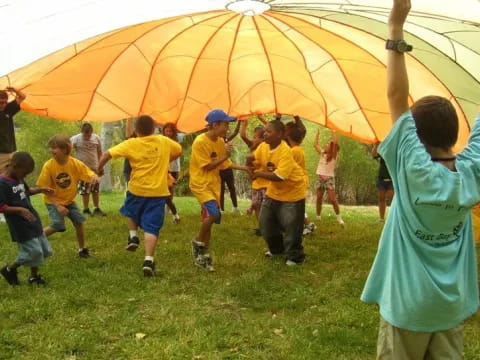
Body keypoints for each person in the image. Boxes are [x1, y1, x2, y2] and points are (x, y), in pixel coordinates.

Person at [361, 0, 480, 358]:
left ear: (414, 135)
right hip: (449, 308)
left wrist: (395, 26)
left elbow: (395, 96)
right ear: (457, 133)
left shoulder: (412, 170)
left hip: (407, 309)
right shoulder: (472, 172)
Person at [97, 115, 182, 277]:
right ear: (153, 129)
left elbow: (106, 154)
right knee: (152, 227)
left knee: (129, 210)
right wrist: (165, 158)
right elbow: (178, 150)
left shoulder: (131, 143)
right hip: (158, 193)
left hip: (137, 190)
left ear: (136, 131)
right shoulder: (163, 141)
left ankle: (133, 236)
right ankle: (148, 259)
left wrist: (99, 168)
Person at [189, 109, 249, 272]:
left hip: (213, 185)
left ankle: (203, 256)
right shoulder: (200, 142)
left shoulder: (221, 142)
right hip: (201, 184)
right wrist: (225, 156)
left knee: (208, 221)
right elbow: (207, 166)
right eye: (225, 125)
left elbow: (225, 165)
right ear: (215, 125)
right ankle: (197, 243)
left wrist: (245, 168)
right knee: (214, 214)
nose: (227, 129)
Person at [249, 120, 306, 266]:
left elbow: (280, 176)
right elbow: (255, 158)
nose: (264, 133)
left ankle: (295, 256)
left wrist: (259, 174)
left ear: (280, 134)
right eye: (264, 131)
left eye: (269, 131)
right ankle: (277, 250)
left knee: (292, 225)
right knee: (265, 222)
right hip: (274, 191)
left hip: (293, 191)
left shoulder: (286, 151)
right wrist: (249, 161)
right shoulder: (263, 146)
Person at [37, 135, 98, 259]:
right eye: (51, 148)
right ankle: (34, 239)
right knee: (59, 225)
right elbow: (45, 189)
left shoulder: (75, 163)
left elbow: (88, 173)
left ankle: (82, 250)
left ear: (65, 149)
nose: (51, 150)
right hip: (52, 201)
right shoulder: (48, 166)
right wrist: (58, 206)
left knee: (79, 222)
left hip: (69, 201)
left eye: (54, 148)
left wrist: (94, 178)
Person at [0, 152, 54, 285]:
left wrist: (41, 190)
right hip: (19, 224)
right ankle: (9, 269)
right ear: (15, 166)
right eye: (24, 173)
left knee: (44, 250)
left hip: (32, 219)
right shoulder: (2, 183)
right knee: (33, 251)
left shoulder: (18, 178)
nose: (25, 176)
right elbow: (1, 207)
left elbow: (27, 191)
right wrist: (19, 210)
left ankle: (33, 276)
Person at [0, 87, 26, 223]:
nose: (3, 105)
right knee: (1, 181)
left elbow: (22, 97)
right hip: (0, 153)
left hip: (11, 151)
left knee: (11, 179)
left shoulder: (8, 110)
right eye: (0, 102)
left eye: (4, 102)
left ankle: (9, 207)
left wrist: (13, 89)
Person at [286, 124, 316, 236]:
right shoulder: (298, 149)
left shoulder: (293, 151)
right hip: (301, 180)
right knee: (297, 207)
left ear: (288, 137)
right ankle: (307, 225)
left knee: (296, 207)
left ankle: (307, 225)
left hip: (297, 182)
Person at [70, 123, 106, 216]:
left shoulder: (96, 138)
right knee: (85, 190)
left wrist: (101, 166)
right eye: (85, 134)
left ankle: (96, 208)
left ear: (92, 132)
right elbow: (68, 150)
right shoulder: (76, 139)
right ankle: (86, 209)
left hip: (95, 169)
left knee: (95, 189)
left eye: (89, 134)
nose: (87, 136)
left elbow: (100, 153)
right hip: (82, 169)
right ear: (82, 132)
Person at [240, 118, 267, 234]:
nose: (253, 139)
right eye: (254, 136)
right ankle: (262, 227)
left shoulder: (267, 147)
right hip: (256, 183)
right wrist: (244, 124)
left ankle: (269, 227)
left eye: (256, 137)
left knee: (266, 207)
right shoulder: (252, 146)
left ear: (263, 139)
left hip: (266, 183)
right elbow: (242, 135)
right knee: (256, 205)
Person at [314, 129, 344, 226]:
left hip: (329, 179)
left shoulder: (334, 156)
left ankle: (339, 218)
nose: (325, 145)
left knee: (332, 199)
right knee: (319, 198)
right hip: (320, 179)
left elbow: (335, 143)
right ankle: (318, 216)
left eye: (327, 145)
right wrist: (317, 134)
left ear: (332, 148)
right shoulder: (323, 154)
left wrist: (334, 132)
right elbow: (315, 145)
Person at [219, 120, 241, 214]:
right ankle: (221, 209)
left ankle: (235, 208)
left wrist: (240, 120)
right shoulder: (215, 141)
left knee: (232, 188)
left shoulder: (226, 140)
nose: (225, 134)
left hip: (228, 168)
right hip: (219, 169)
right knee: (221, 190)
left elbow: (236, 132)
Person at [162, 123, 181, 224]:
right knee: (166, 193)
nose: (168, 133)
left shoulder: (176, 142)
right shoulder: (160, 141)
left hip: (173, 169)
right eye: (167, 131)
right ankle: (172, 212)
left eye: (170, 131)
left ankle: (171, 211)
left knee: (169, 192)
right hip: (163, 169)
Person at [372, 143, 394, 222]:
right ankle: (381, 218)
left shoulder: (395, 153)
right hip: (381, 179)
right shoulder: (383, 152)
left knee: (393, 200)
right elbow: (374, 155)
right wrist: (376, 145)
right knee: (381, 198)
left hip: (392, 180)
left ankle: (393, 218)